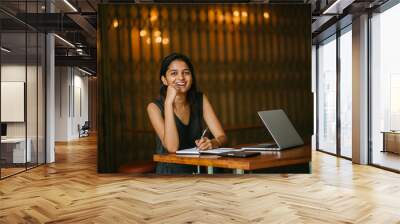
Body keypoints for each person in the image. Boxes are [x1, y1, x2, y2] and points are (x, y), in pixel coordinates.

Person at [147, 53, 227, 174]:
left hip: (198, 170)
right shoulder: (154, 108)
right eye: (174, 73)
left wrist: (212, 143)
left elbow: (222, 136)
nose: (181, 78)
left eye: (186, 72)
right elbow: (172, 147)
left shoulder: (200, 99)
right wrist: (168, 103)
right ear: (164, 80)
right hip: (170, 176)